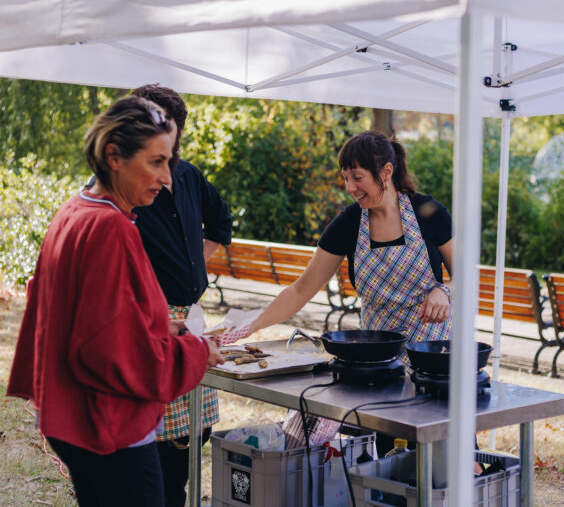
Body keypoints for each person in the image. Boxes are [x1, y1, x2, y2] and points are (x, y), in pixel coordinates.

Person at [6, 96, 225, 507]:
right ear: (114, 157)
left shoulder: (76, 210)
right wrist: (195, 352)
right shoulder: (111, 227)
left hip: (72, 414)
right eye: (156, 162)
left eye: (170, 162)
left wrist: (163, 324)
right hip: (104, 423)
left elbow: (94, 315)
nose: (167, 177)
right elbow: (114, 352)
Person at [246, 130, 454, 453]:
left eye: (357, 177)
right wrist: (250, 325)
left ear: (386, 171)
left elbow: (470, 277)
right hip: (379, 372)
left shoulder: (428, 213)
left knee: (444, 463)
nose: (350, 188)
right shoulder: (348, 224)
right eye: (345, 178)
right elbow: (301, 290)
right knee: (386, 464)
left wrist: (445, 291)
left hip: (434, 369)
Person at [130, 84, 233, 507]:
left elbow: (220, 219)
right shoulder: (123, 183)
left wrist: (195, 261)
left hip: (189, 318)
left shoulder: (188, 176)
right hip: (146, 323)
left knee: (192, 435)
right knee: (155, 452)